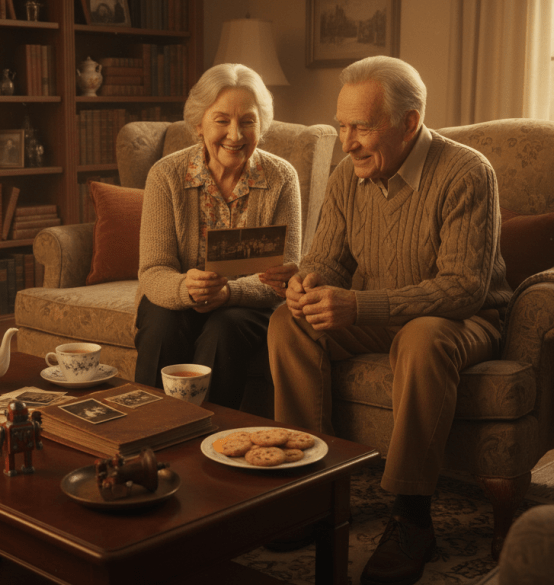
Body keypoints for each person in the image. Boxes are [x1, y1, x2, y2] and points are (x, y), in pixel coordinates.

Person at [265, 56, 511, 584]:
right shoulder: (346, 176)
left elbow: (464, 287)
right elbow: (329, 259)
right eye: (342, 126)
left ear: (409, 122)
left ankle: (411, 514)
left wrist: (360, 305)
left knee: (421, 338)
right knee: (289, 323)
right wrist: (307, 284)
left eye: (362, 127)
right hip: (377, 311)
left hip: (462, 321)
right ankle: (314, 489)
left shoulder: (467, 172)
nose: (347, 141)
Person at [135, 63, 302, 410]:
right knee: (163, 322)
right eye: (222, 120)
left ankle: (212, 436)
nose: (235, 135)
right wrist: (186, 288)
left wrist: (229, 292)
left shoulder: (282, 177)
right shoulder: (166, 175)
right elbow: (153, 270)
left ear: (262, 125)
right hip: (179, 293)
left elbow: (284, 275)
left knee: (223, 329)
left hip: (246, 305)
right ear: (199, 124)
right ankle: (147, 426)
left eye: (248, 121)